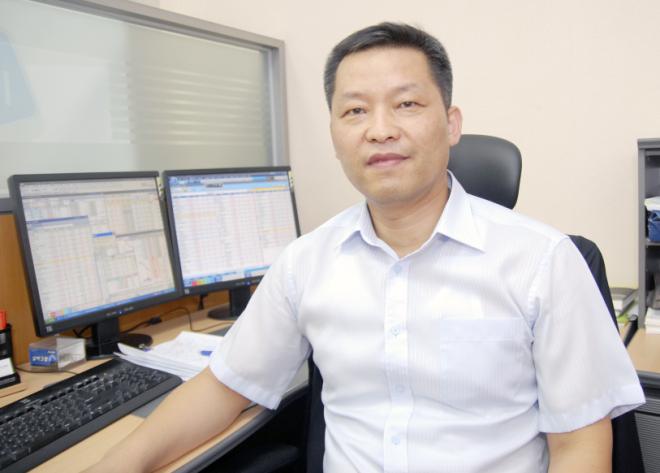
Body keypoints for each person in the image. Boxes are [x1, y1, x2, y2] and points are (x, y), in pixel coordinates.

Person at [89, 23, 644, 473]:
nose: (379, 130)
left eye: (406, 104)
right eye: (355, 111)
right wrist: (117, 465)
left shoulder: (543, 262)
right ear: (334, 134)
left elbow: (579, 447)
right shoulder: (306, 263)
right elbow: (225, 387)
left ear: (451, 124)